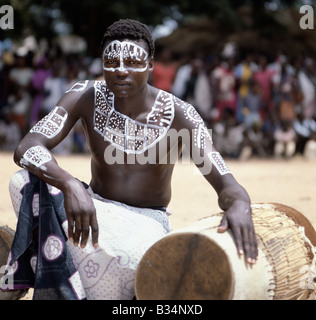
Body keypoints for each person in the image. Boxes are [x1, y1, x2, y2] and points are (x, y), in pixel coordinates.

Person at [6, 19, 257, 300]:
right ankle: (75, 279)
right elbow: (28, 146)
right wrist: (70, 185)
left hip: (144, 223)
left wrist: (240, 204)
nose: (121, 71)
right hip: (93, 210)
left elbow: (226, 183)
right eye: (111, 62)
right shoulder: (84, 95)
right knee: (24, 182)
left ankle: (59, 273)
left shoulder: (180, 115)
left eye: (133, 63)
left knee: (123, 261)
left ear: (150, 64)